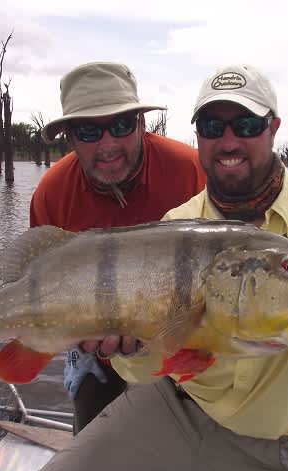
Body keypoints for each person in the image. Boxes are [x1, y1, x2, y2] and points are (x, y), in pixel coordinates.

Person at [34, 64, 288, 471]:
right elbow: (149, 365)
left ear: (272, 128)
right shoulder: (176, 220)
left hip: (267, 440)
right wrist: (128, 350)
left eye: (246, 123)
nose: (228, 140)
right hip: (171, 406)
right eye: (211, 125)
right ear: (198, 134)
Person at [30, 61, 206, 433]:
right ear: (70, 137)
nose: (108, 145)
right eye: (90, 130)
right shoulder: (52, 193)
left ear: (142, 125)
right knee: (92, 454)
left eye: (122, 125)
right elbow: (39, 285)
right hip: (98, 356)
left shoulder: (190, 171)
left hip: (184, 348)